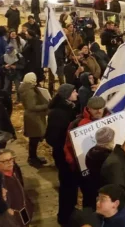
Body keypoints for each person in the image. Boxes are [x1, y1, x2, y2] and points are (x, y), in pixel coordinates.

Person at [45, 84, 79, 224]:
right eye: (74, 91)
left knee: (71, 184)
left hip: (68, 153)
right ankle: (64, 216)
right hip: (63, 155)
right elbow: (51, 137)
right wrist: (65, 147)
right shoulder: (59, 113)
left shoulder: (68, 108)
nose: (77, 93)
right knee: (67, 185)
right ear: (67, 95)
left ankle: (70, 211)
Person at [19, 72, 49, 166]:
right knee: (34, 139)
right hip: (33, 118)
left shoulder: (26, 88)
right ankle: (32, 158)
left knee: (34, 139)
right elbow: (31, 106)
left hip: (33, 117)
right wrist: (46, 105)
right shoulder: (29, 92)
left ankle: (33, 157)